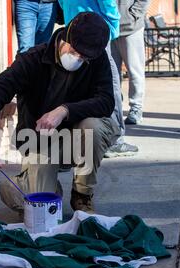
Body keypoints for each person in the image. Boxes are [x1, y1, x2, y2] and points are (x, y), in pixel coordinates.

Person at [0, 12, 120, 213]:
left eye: (84, 57)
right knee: (36, 203)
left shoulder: (97, 58)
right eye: (75, 52)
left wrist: (64, 110)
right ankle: (42, 189)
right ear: (66, 37)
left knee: (92, 126)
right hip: (40, 141)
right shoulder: (32, 59)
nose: (78, 59)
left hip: (77, 136)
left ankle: (82, 195)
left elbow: (106, 101)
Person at [58, 0, 139, 157]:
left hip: (73, 27)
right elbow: (108, 4)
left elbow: (61, 3)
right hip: (96, 30)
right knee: (110, 85)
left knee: (79, 84)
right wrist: (114, 27)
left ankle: (84, 142)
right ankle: (115, 141)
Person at [111, 0, 151, 125]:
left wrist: (132, 15)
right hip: (110, 26)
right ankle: (114, 107)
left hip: (131, 28)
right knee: (112, 73)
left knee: (135, 71)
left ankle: (136, 108)